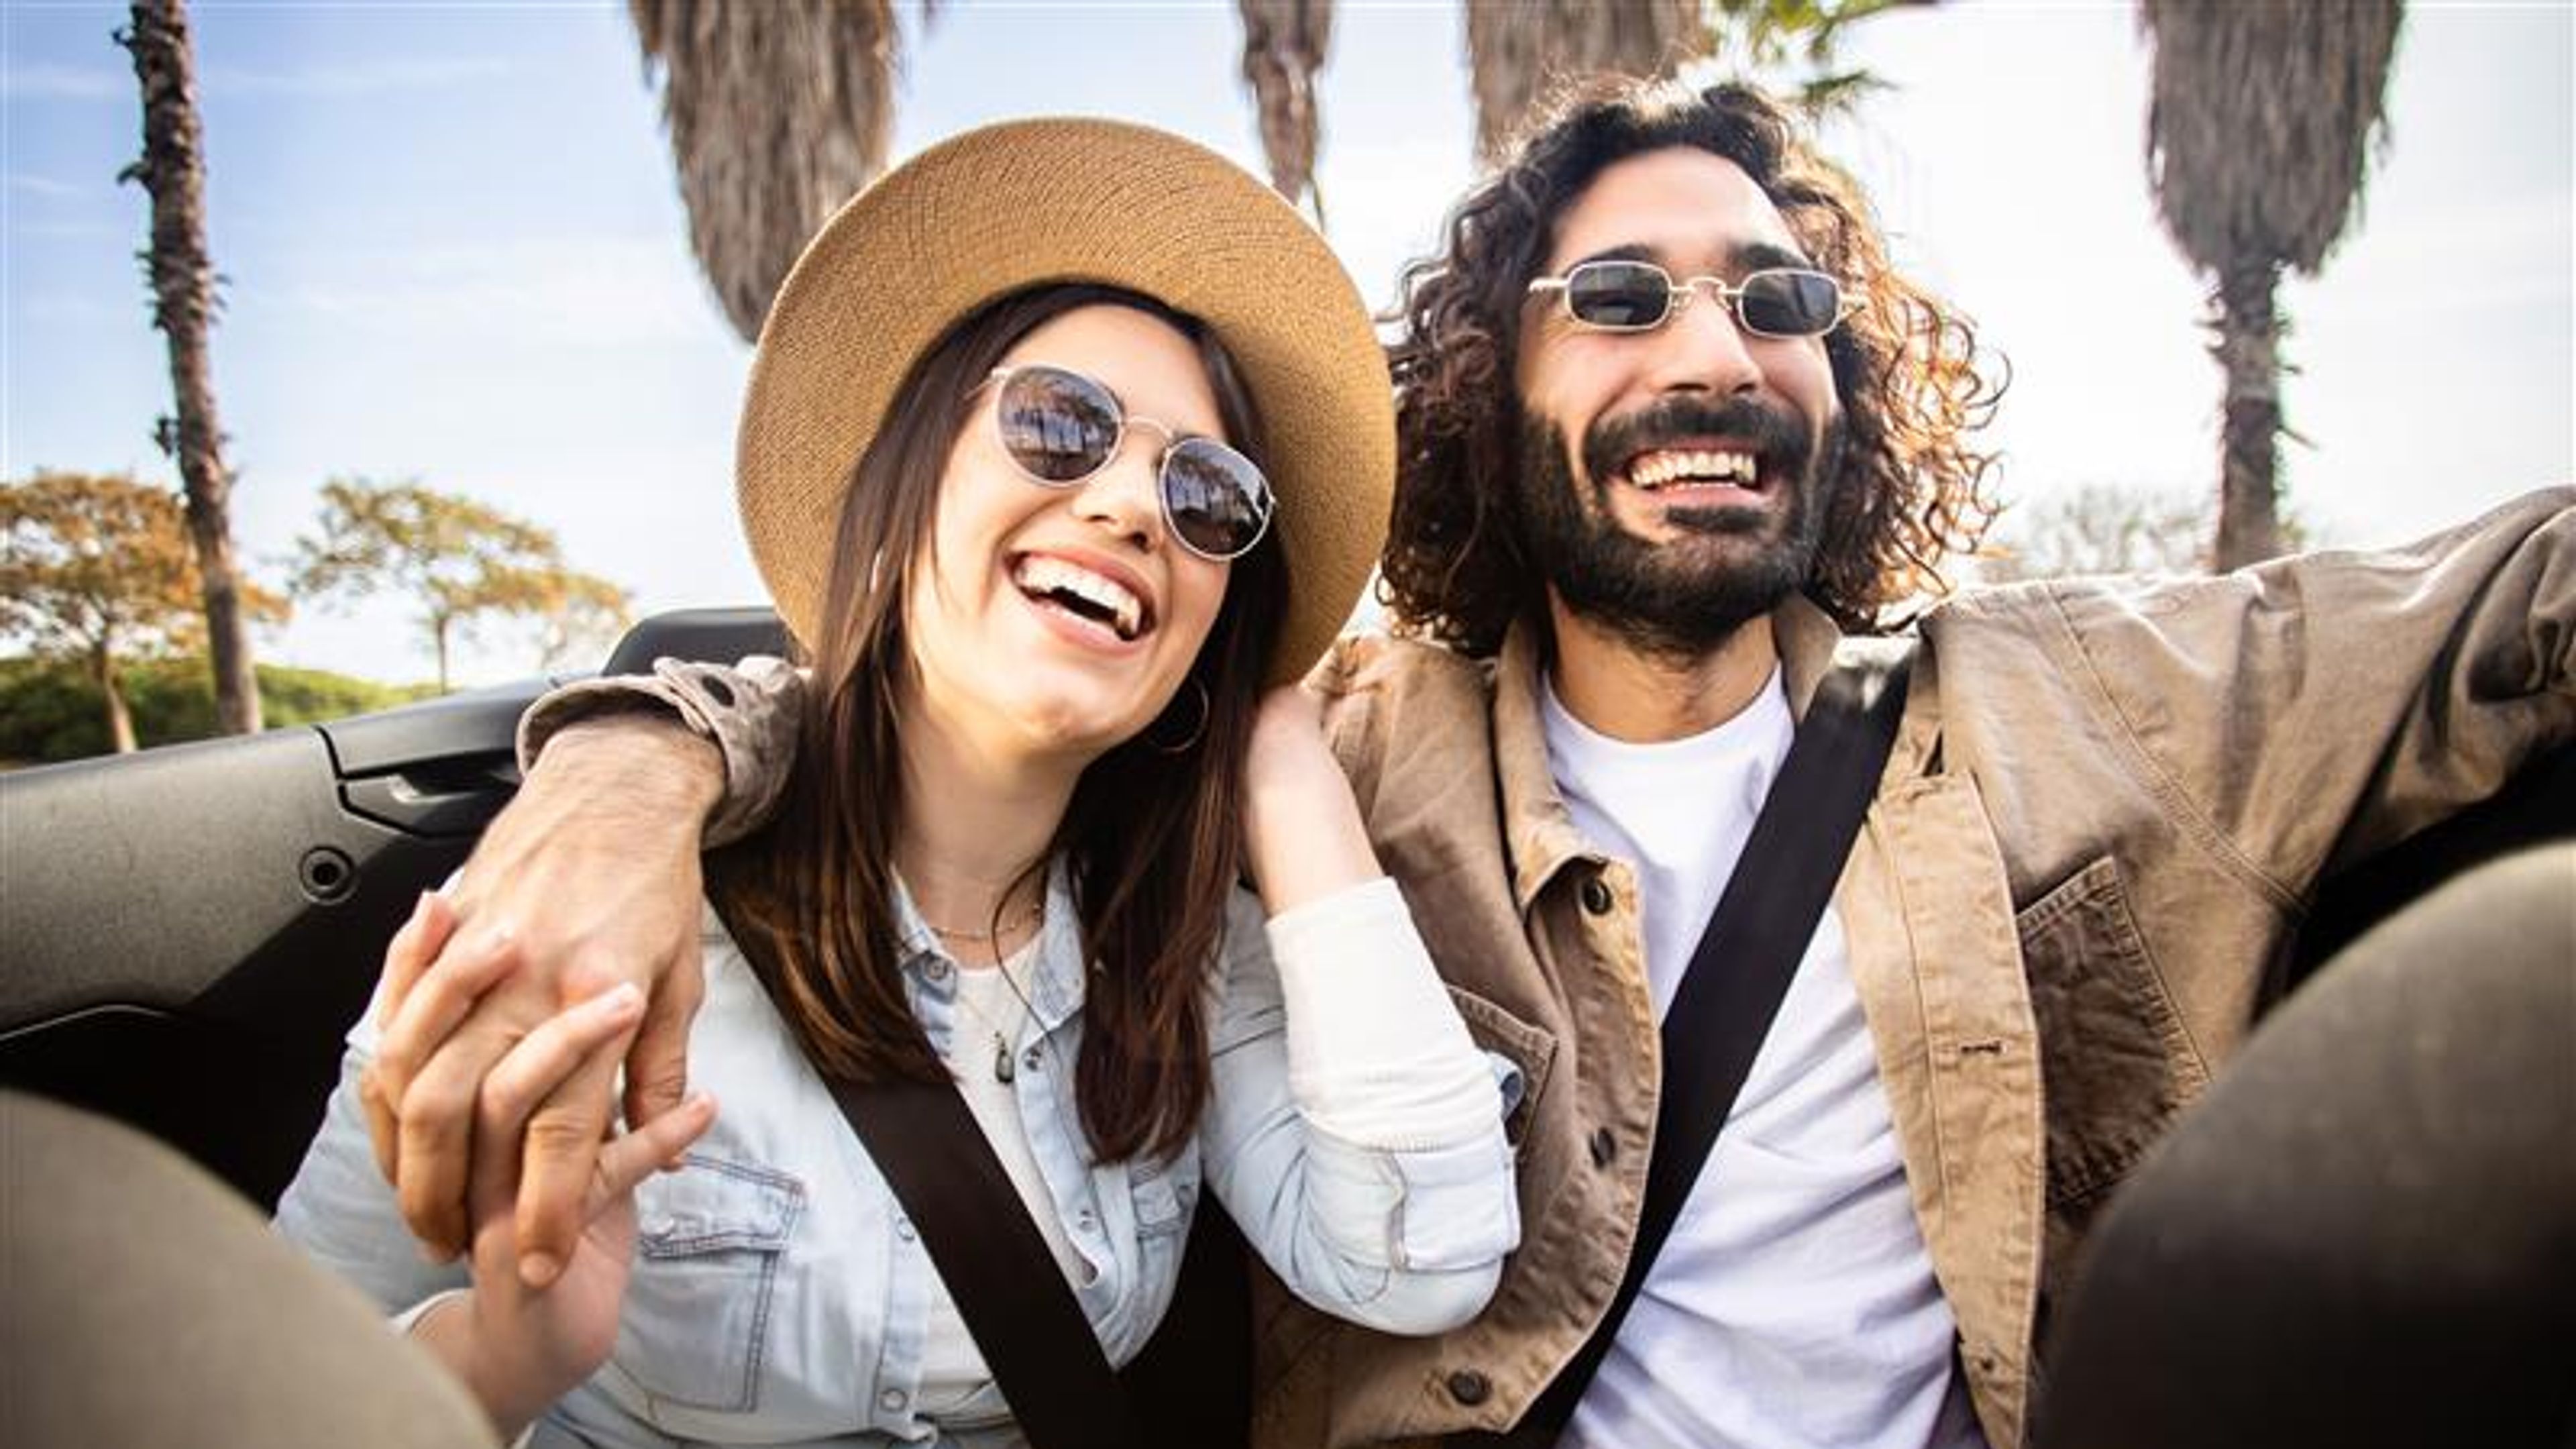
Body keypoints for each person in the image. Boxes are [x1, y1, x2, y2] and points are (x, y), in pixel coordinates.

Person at [360, 80, 2576, 1449]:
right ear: (1489, 390)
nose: (1717, 352)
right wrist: (631, 771)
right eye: (1618, 297)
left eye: (1778, 300)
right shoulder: (1340, 739)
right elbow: (944, 701)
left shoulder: (2089, 705)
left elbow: (2511, 606)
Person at [275, 117, 1519, 1447]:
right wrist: (495, 1363)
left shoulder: (1181, 958)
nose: (1134, 508)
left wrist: (1286, 768)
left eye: (1209, 494)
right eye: (1060, 424)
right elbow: (262, 1385)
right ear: (904, 479)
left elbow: (1421, 1254)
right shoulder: (607, 902)